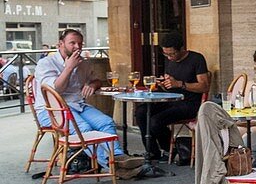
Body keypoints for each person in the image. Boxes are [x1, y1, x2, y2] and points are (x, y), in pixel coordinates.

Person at [33, 28, 143, 171]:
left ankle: (118, 157)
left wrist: (92, 84)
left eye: (80, 43)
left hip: (77, 105)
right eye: (72, 43)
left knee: (106, 122)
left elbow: (96, 80)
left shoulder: (83, 63)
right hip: (51, 111)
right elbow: (55, 90)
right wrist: (68, 68)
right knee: (84, 128)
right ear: (60, 44)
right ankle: (113, 166)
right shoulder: (46, 63)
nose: (77, 47)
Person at [135, 30, 211, 161]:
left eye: (172, 54)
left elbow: (204, 86)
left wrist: (180, 84)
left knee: (155, 121)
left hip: (189, 103)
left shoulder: (196, 59)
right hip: (170, 99)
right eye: (166, 54)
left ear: (181, 49)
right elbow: (170, 84)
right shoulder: (170, 61)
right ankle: (152, 152)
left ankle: (171, 148)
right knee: (141, 111)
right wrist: (164, 83)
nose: (169, 57)